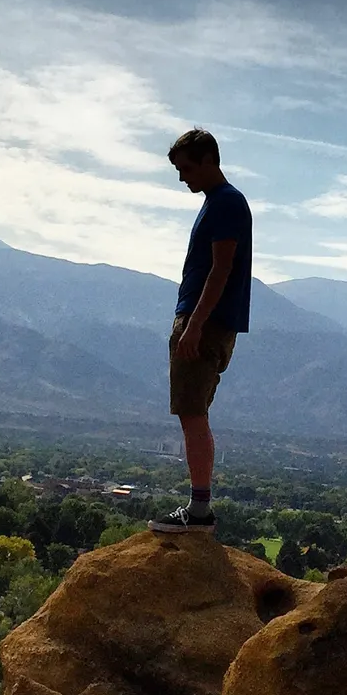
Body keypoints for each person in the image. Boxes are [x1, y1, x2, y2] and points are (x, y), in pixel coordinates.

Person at [151, 127, 252, 534]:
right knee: (194, 414)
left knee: (192, 414)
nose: (182, 178)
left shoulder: (226, 202)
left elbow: (221, 268)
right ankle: (199, 506)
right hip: (206, 322)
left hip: (204, 323)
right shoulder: (218, 202)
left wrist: (193, 326)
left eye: (186, 168)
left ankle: (198, 510)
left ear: (210, 159)